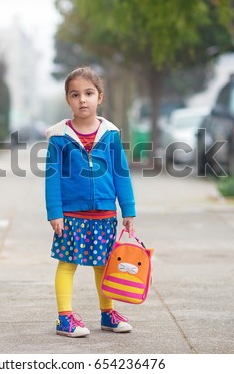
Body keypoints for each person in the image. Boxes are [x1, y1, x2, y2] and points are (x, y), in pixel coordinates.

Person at [45, 66, 136, 338]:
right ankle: (65, 318)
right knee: (67, 263)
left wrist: (127, 209)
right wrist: (55, 213)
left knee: (103, 265)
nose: (82, 99)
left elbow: (121, 173)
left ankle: (107, 314)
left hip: (105, 214)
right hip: (71, 214)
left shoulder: (110, 134)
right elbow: (52, 179)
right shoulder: (59, 138)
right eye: (75, 94)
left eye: (88, 93)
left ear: (100, 97)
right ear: (68, 100)